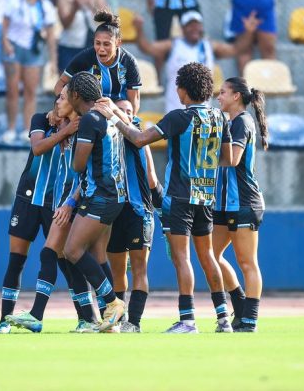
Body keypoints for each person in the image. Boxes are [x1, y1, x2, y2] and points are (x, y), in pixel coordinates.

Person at [94, 62, 235, 334]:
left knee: (182, 259)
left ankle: (188, 320)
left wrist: (113, 115)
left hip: (179, 198)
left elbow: (138, 139)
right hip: (206, 196)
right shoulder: (220, 119)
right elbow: (228, 158)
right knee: (207, 257)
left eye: (178, 87)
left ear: (183, 90)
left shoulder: (177, 118)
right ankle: (223, 318)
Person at [0, 88, 99, 334]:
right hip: (28, 196)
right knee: (16, 259)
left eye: (64, 97)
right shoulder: (42, 120)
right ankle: (4, 321)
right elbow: (37, 148)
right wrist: (65, 130)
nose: (58, 101)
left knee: (66, 261)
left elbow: (82, 171)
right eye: (58, 96)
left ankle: (87, 317)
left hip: (57, 202)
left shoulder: (83, 128)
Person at [61, 72, 128, 333]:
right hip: (116, 194)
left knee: (72, 251)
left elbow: (78, 165)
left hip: (99, 196)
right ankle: (112, 323)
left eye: (67, 92)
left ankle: (112, 303)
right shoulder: (107, 116)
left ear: (77, 95)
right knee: (98, 256)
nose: (65, 96)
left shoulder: (89, 120)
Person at [213, 77, 268, 333]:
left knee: (247, 262)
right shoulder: (232, 122)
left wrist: (204, 150)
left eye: (223, 92)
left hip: (244, 202)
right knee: (210, 256)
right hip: (225, 203)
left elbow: (233, 159)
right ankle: (239, 302)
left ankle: (250, 319)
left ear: (236, 96)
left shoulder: (241, 123)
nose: (218, 96)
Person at [102, 98, 161, 333]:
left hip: (139, 211)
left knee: (138, 268)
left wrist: (161, 207)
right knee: (117, 269)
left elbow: (151, 179)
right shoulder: (109, 137)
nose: (124, 113)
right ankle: (117, 318)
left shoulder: (140, 137)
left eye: (128, 110)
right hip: (115, 211)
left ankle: (134, 322)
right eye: (120, 109)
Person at [133, 10, 260, 113]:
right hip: (176, 109)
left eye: (197, 24)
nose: (194, 28)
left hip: (203, 110)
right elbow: (147, 48)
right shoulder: (173, 45)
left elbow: (236, 49)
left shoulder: (209, 46)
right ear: (183, 28)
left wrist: (248, 32)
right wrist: (139, 30)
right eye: (190, 25)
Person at [1, 0, 58, 144]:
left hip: (34, 49)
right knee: (12, 90)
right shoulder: (13, 1)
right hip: (14, 46)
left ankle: (27, 128)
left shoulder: (46, 6)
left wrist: (53, 59)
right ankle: (11, 128)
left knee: (30, 92)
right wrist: (6, 44)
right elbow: (4, 25)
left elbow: (50, 35)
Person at [54, 9, 142, 114]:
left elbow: (134, 101)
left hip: (117, 110)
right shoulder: (85, 58)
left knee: (126, 106)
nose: (101, 49)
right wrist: (67, 108)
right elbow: (60, 84)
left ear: (118, 43)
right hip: (90, 110)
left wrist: (128, 125)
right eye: (98, 43)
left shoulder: (129, 62)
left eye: (106, 44)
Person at [55, 0, 106, 72]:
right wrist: (74, 8)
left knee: (90, 83)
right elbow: (65, 24)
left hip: (90, 47)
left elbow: (105, 19)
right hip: (69, 47)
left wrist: (89, 5)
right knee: (66, 84)